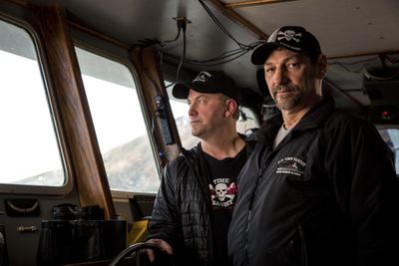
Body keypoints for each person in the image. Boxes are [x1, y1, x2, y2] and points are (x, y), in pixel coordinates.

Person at [228, 26, 399, 266]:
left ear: (320, 66)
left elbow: (380, 231)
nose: (279, 79)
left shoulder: (348, 134)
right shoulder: (261, 142)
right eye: (270, 69)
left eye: (291, 65)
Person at [145, 70, 254, 266]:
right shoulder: (178, 169)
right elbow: (163, 224)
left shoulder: (264, 160)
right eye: (189, 102)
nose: (190, 111)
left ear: (229, 108)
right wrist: (159, 239)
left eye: (202, 101)